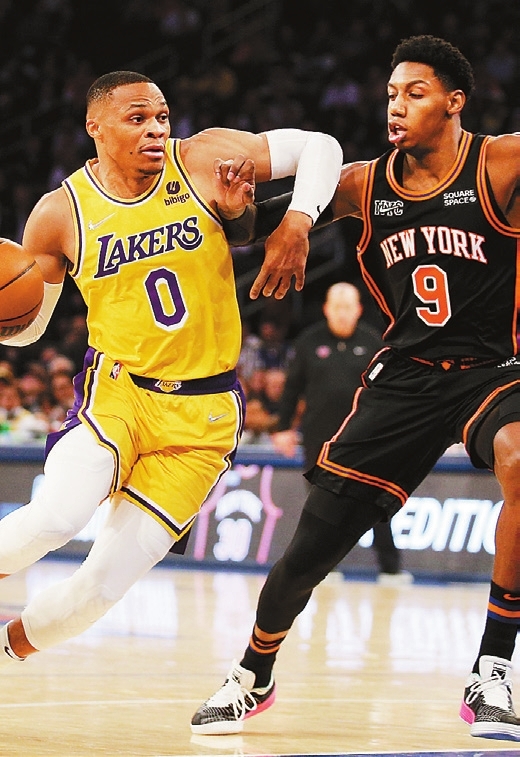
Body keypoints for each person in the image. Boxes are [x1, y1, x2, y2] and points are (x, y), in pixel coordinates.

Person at [190, 35, 520, 741]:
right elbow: (257, 229)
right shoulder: (364, 184)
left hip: (494, 368)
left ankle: (492, 668)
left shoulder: (500, 162)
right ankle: (253, 672)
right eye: (391, 94)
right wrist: (239, 206)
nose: (396, 106)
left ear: (455, 102)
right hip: (405, 376)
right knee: (311, 547)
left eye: (415, 94)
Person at [0, 72, 343, 671]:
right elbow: (30, 328)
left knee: (98, 591)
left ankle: (8, 648)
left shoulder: (203, 159)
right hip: (119, 395)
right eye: (137, 118)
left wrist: (298, 219)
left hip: (203, 417)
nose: (156, 129)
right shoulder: (59, 213)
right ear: (95, 126)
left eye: (161, 116)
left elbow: (323, 148)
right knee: (57, 516)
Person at [271, 281, 409, 582]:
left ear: (358, 309)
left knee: (375, 499)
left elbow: (390, 392)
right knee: (320, 505)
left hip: (365, 437)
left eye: (348, 307)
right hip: (319, 438)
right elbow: (292, 388)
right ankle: (323, 567)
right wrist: (282, 428)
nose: (342, 313)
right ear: (326, 309)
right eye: (337, 307)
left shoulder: (373, 343)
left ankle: (390, 567)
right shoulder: (308, 342)